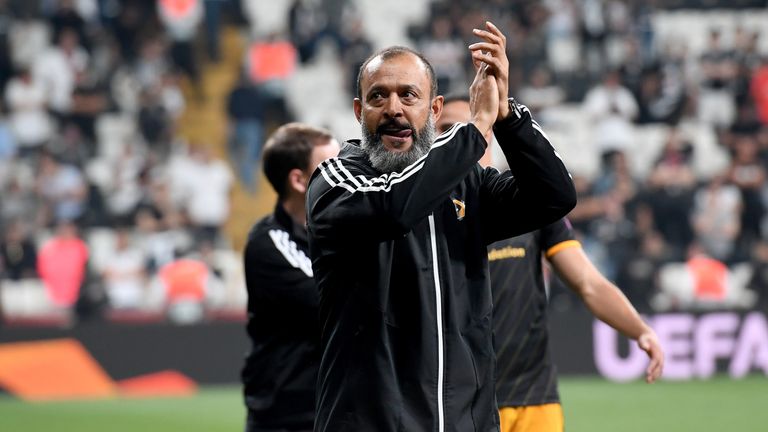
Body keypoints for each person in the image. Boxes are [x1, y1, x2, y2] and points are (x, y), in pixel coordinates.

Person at [306, 22, 576, 432]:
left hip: (467, 421)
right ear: (359, 112)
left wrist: (505, 115)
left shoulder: (469, 185)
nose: (393, 108)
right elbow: (394, 207)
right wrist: (474, 128)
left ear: (433, 110)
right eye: (378, 96)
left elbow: (554, 196)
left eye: (408, 95)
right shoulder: (336, 179)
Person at [437, 95, 665, 432]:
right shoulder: (425, 210)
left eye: (470, 126)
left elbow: (587, 282)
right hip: (463, 399)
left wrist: (640, 329)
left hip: (534, 398)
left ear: (487, 133)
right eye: (446, 128)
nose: (461, 135)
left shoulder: (526, 203)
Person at [241, 123, 340, 432]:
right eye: (332, 167)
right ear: (298, 180)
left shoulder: (339, 230)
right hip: (288, 414)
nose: (346, 175)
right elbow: (330, 304)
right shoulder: (268, 242)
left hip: (334, 406)